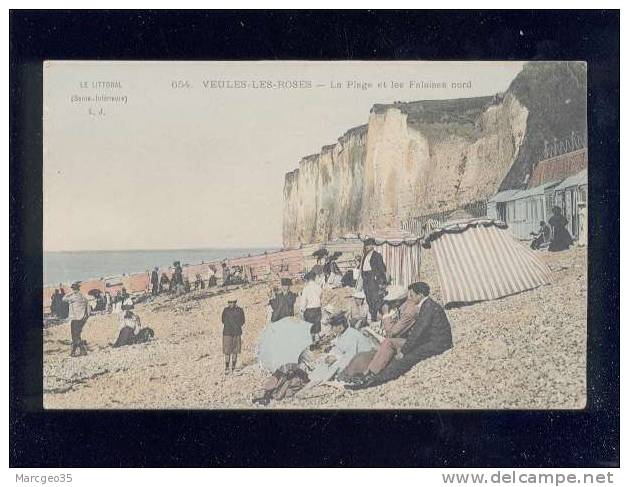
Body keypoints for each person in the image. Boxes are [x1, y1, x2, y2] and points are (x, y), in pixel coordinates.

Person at [347, 281, 452, 389]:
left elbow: (416, 332)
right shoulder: (425, 305)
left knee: (404, 360)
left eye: (411, 295)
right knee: (390, 345)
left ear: (420, 295)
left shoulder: (423, 308)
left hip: (436, 343)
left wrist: (404, 351)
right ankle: (370, 374)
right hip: (432, 340)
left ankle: (375, 379)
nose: (409, 298)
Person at [298, 312, 377, 394]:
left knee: (334, 365)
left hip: (363, 359)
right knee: (326, 362)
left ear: (340, 326)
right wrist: (331, 356)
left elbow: (351, 355)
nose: (332, 329)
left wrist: (336, 358)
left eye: (333, 327)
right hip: (352, 358)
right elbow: (338, 349)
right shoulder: (343, 334)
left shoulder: (352, 334)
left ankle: (316, 381)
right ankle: (312, 380)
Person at [360, 238, 387, 322]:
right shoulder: (365, 255)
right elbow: (363, 268)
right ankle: (373, 319)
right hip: (366, 279)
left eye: (368, 245)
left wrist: (379, 279)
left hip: (373, 279)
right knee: (369, 299)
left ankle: (377, 319)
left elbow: (382, 269)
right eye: (366, 245)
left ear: (372, 245)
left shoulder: (377, 255)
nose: (366, 247)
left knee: (375, 300)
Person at [63, 281, 90, 357]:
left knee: (74, 335)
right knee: (77, 335)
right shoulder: (83, 297)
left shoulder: (73, 297)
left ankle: (76, 352)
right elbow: (88, 308)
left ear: (74, 289)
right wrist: (86, 317)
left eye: (73, 289)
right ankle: (81, 351)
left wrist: (70, 293)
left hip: (75, 319)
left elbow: (64, 298)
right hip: (82, 319)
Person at [221, 299, 245, 374]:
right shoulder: (239, 310)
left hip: (230, 332)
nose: (231, 303)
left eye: (232, 302)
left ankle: (230, 368)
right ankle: (228, 367)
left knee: (233, 351)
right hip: (232, 332)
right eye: (230, 302)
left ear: (235, 302)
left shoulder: (226, 310)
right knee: (230, 351)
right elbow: (242, 321)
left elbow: (223, 320)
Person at [300, 271, 323, 343]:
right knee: (317, 326)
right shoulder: (318, 287)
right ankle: (317, 342)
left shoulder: (306, 288)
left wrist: (302, 310)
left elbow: (304, 301)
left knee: (310, 328)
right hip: (318, 309)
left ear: (308, 279)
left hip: (309, 310)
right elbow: (320, 297)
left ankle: (311, 343)